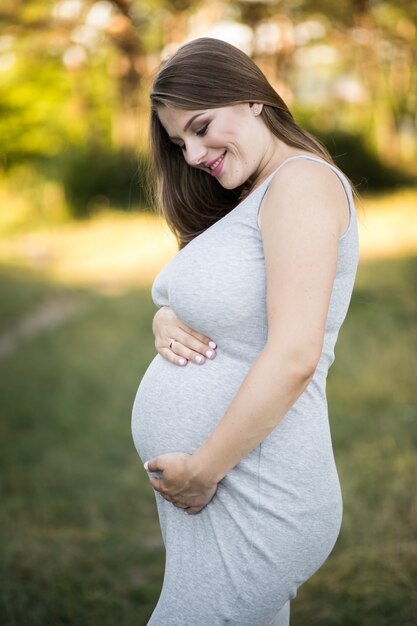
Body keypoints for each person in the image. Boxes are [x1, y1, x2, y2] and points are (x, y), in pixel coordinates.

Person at [131, 37, 359, 626]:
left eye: (202, 127)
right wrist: (168, 316)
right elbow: (234, 305)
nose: (193, 153)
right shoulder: (256, 195)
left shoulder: (301, 184)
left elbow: (294, 354)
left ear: (253, 98)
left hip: (257, 489)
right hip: (230, 487)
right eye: (181, 142)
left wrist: (203, 470)